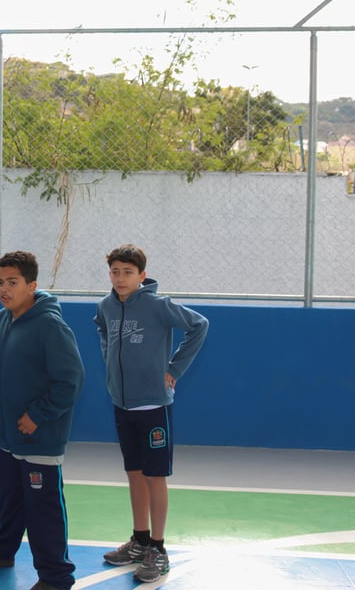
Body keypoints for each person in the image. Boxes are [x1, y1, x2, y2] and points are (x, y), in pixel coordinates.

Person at [0, 251, 84, 590]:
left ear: (32, 285)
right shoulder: (1, 320)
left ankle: (56, 577)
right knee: (10, 498)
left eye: (12, 282)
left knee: (43, 511)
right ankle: (1, 551)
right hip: (8, 434)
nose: (4, 289)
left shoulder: (50, 326)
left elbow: (70, 381)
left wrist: (36, 416)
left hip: (40, 437)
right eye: (0, 282)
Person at [95, 244, 208, 585]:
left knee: (155, 476)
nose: (120, 278)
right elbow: (101, 328)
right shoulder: (106, 307)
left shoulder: (159, 306)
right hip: (122, 404)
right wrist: (109, 361)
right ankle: (139, 539)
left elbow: (199, 325)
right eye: (115, 271)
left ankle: (158, 548)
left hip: (153, 407)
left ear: (141, 276)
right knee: (134, 472)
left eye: (128, 272)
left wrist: (174, 367)